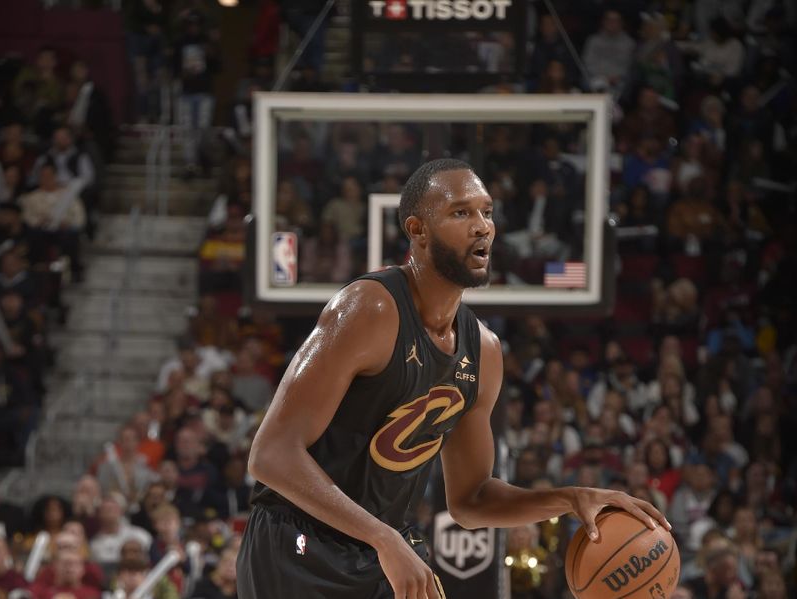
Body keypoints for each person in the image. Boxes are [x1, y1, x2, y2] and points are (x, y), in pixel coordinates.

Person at [237, 159, 669, 599]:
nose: (482, 226)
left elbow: (471, 500)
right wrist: (384, 538)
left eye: (487, 211)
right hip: (299, 544)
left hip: (380, 547)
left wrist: (571, 498)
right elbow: (271, 455)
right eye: (461, 213)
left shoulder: (483, 350)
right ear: (417, 230)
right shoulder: (371, 308)